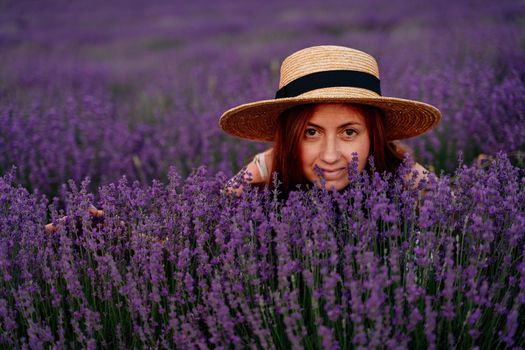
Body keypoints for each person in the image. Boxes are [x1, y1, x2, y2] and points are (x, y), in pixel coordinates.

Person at [219, 45, 441, 197]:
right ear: (289, 138)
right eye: (311, 133)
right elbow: (211, 217)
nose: (330, 156)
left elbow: (454, 212)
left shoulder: (399, 190)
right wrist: (263, 167)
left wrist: (403, 168)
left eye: (349, 132)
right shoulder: (268, 187)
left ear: (375, 136)